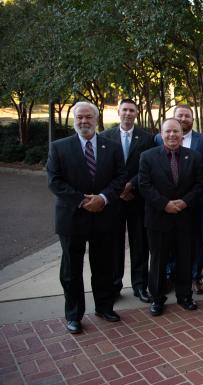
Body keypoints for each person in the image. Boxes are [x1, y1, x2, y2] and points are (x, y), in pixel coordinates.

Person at [47, 101, 127, 334]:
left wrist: (102, 198)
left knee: (103, 266)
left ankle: (104, 307)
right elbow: (55, 182)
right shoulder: (59, 147)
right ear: (74, 120)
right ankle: (74, 315)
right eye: (79, 117)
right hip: (72, 218)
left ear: (96, 118)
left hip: (104, 216)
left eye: (88, 117)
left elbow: (120, 177)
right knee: (71, 271)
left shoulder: (111, 147)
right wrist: (83, 200)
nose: (84, 121)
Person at [140, 118, 203, 316]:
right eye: (168, 131)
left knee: (185, 258)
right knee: (158, 260)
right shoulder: (147, 156)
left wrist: (184, 202)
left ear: (181, 134)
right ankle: (157, 299)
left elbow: (199, 185)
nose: (172, 135)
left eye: (176, 132)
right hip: (158, 218)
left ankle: (185, 296)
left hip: (185, 218)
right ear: (161, 134)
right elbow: (144, 185)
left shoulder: (193, 156)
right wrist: (164, 204)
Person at [155, 105, 203, 294]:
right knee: (169, 240)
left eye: (187, 115)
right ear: (174, 118)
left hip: (194, 202)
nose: (184, 118)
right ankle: (171, 275)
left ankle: (195, 276)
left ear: (192, 119)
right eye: (180, 115)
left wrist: (191, 198)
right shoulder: (159, 139)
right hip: (167, 203)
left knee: (195, 241)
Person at [102, 99, 155, 303]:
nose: (127, 113)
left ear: (136, 113)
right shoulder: (106, 137)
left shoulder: (147, 138)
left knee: (140, 243)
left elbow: (148, 167)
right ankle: (115, 285)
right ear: (118, 112)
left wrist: (131, 185)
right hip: (114, 200)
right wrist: (118, 189)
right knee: (115, 244)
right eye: (124, 110)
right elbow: (104, 168)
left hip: (137, 198)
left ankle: (140, 285)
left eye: (131, 110)